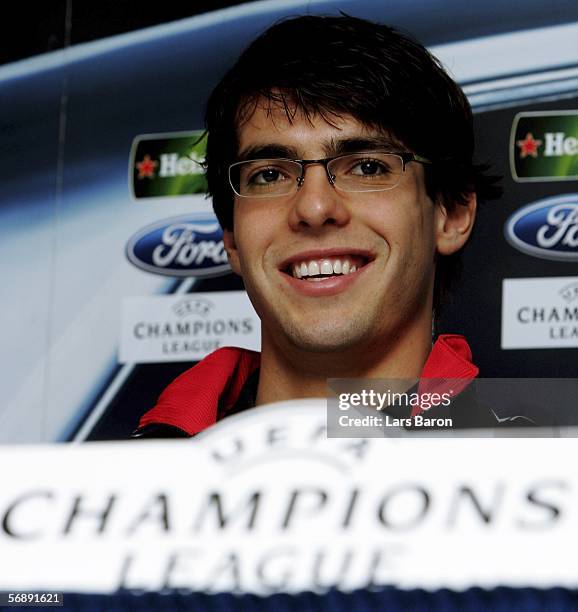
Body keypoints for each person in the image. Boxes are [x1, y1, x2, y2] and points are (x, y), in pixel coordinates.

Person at [132, 14, 502, 438]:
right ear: (231, 237)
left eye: (367, 167)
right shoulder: (118, 488)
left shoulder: (544, 479)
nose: (313, 206)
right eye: (270, 174)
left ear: (451, 213)